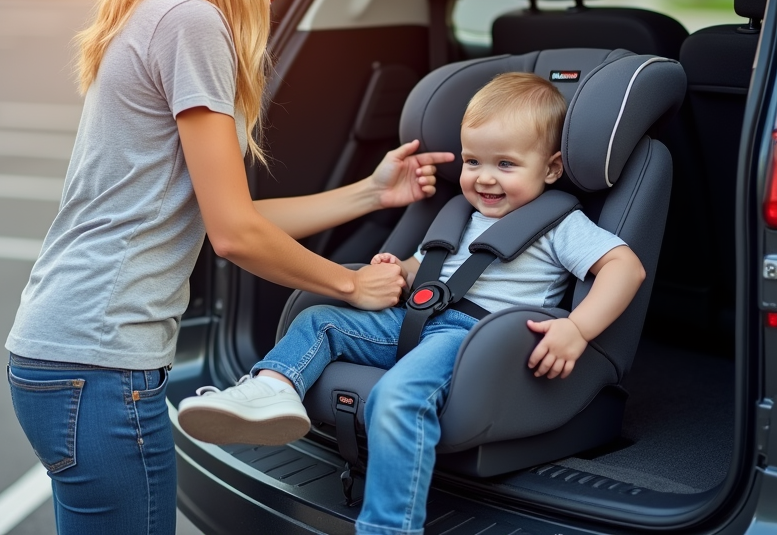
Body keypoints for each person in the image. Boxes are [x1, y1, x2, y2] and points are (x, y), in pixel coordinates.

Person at [4, 0, 453, 535]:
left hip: (63, 355)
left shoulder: (156, 11)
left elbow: (229, 213)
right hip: (98, 366)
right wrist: (350, 285)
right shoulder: (193, 22)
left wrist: (371, 192)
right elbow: (235, 236)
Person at [177, 72, 646, 535]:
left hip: (474, 341)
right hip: (414, 322)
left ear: (551, 168)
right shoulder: (460, 213)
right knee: (321, 320)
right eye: (473, 161)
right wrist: (394, 268)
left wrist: (578, 328)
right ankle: (271, 389)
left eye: (506, 164)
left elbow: (625, 268)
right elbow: (421, 266)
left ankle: (388, 528)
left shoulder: (561, 225)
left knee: (396, 397)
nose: (484, 178)